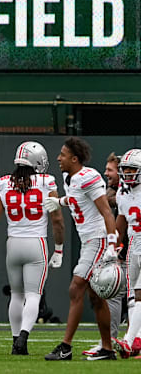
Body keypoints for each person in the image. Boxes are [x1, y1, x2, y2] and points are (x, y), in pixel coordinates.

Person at [0, 141, 64, 355]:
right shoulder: (46, 182)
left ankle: (15, 340)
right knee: (33, 295)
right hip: (36, 243)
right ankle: (24, 336)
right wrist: (59, 248)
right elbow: (57, 220)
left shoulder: (4, 183)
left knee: (16, 295)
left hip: (13, 244)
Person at [42, 137, 119, 361]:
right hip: (88, 240)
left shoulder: (88, 177)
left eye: (63, 155)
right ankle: (107, 348)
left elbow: (106, 211)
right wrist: (60, 202)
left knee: (76, 288)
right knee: (96, 297)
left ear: (75, 159)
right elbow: (76, 198)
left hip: (98, 238)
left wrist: (112, 245)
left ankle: (65, 346)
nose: (58, 158)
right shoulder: (71, 179)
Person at [86, 152, 130, 356]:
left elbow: (112, 203)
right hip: (123, 250)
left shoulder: (128, 192)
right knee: (115, 293)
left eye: (110, 169)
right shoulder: (118, 191)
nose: (106, 173)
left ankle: (129, 340)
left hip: (133, 250)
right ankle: (113, 341)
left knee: (133, 297)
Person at [110, 149, 141, 358]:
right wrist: (112, 247)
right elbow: (120, 224)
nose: (128, 173)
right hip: (133, 246)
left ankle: (131, 340)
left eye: (133, 169)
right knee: (132, 297)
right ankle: (134, 340)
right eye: (126, 169)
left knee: (140, 295)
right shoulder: (123, 192)